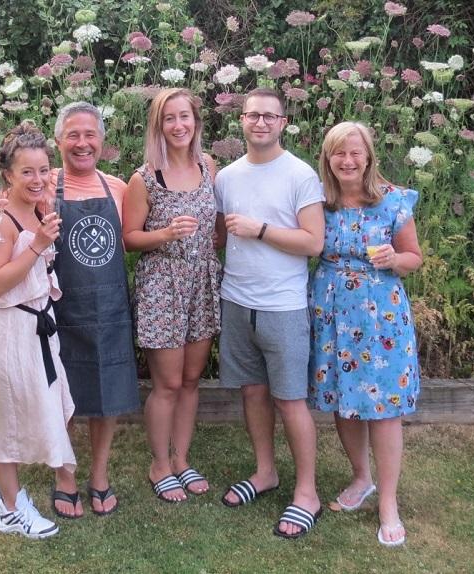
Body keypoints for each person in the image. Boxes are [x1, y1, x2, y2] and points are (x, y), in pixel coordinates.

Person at [0, 102, 140, 519]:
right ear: (58, 142)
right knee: (56, 400)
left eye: (91, 135)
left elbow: (134, 237)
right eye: (73, 135)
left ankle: (98, 476)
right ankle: (65, 479)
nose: (82, 144)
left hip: (106, 309)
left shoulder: (118, 188)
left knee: (107, 396)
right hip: (53, 312)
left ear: (102, 140)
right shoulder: (42, 182)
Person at [214, 88, 325, 539]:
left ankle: (308, 493)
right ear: (241, 121)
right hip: (237, 299)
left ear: (283, 123)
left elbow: (313, 243)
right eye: (253, 115)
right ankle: (265, 472)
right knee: (253, 393)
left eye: (269, 116)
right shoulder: (226, 177)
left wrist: (260, 229)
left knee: (290, 400)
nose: (260, 123)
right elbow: (219, 235)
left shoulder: (300, 174)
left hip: (283, 305)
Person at [308, 121, 422, 547]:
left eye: (355, 153)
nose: (348, 161)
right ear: (328, 158)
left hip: (381, 316)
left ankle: (388, 502)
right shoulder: (319, 202)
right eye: (339, 153)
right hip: (332, 311)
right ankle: (361, 479)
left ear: (369, 157)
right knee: (342, 399)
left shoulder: (392, 201)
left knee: (385, 408)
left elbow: (415, 258)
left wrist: (396, 257)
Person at [0, 121, 75, 540]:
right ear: (7, 174)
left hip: (38, 328)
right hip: (10, 331)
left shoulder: (40, 205)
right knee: (5, 422)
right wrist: (39, 245)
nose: (39, 178)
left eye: (44, 169)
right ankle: (11, 509)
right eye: (27, 171)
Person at [123, 88, 220, 503]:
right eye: (169, 118)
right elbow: (128, 238)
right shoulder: (143, 178)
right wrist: (165, 234)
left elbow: (217, 229)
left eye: (185, 117)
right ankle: (159, 464)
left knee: (192, 380)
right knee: (167, 383)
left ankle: (182, 458)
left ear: (196, 122)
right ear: (158, 126)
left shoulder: (209, 166)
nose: (178, 125)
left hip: (201, 283)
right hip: (162, 286)